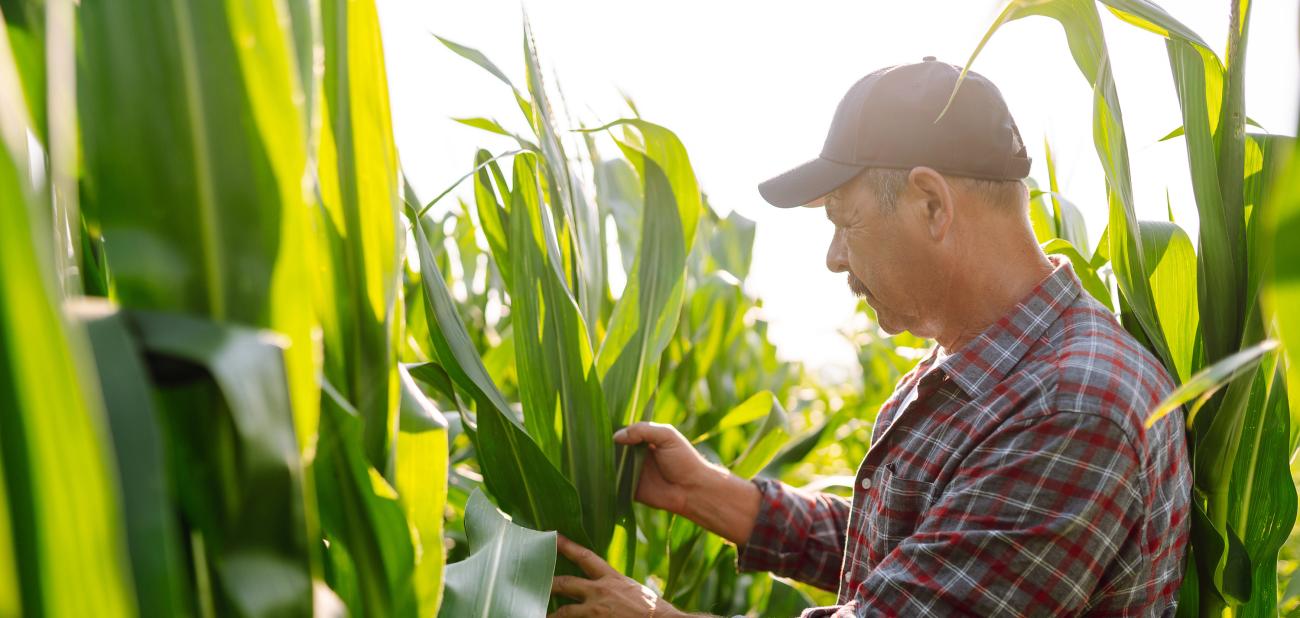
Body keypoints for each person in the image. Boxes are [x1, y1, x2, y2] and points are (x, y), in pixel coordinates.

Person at [548, 57, 1192, 617]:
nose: (833, 257)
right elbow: (918, 554)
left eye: (844, 221)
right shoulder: (985, 363)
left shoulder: (1071, 409)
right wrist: (703, 492)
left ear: (931, 205)